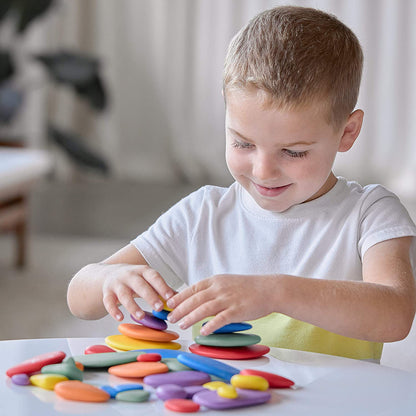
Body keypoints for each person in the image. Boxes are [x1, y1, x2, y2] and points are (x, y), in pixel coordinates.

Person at [67, 6, 416, 361]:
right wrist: (110, 279)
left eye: (293, 152)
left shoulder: (370, 213)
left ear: (347, 132)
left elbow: (396, 315)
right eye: (243, 143)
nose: (263, 171)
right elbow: (79, 298)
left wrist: (275, 292)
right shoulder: (202, 214)